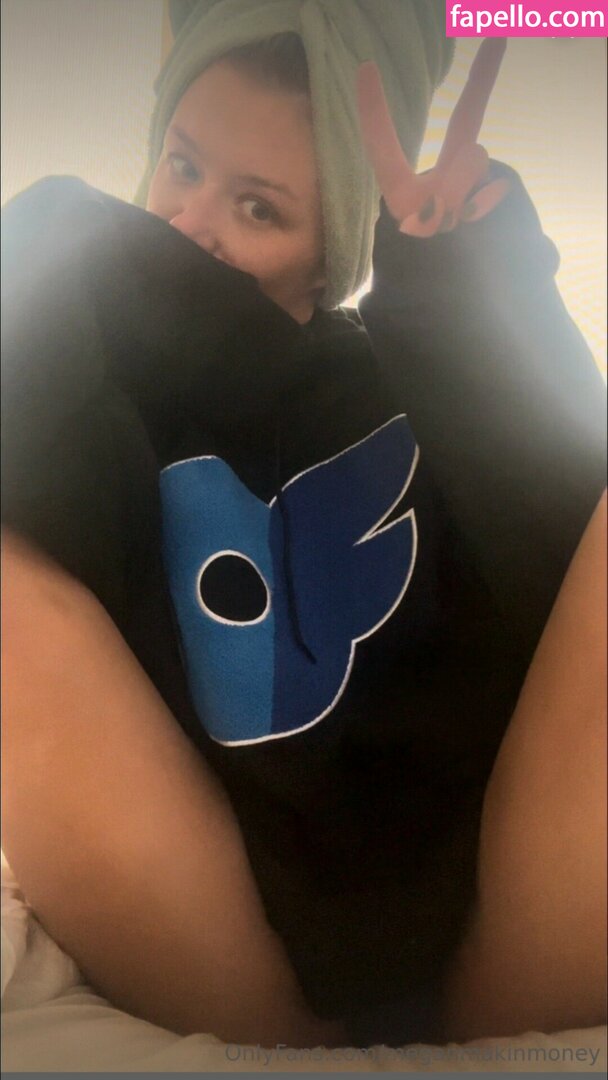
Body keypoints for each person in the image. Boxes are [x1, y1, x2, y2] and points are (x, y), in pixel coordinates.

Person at [2, 0, 606, 1050]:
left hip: (499, 938)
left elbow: (562, 562)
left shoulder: (405, 369)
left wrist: (472, 285)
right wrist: (61, 240)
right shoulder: (98, 371)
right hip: (225, 947)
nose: (190, 223)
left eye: (257, 207)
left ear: (329, 253)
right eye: (182, 166)